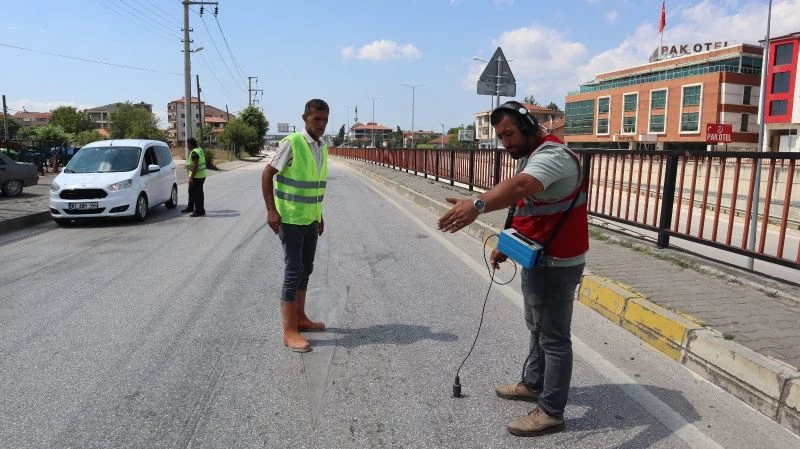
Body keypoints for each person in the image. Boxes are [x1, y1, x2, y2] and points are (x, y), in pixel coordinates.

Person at [437, 101, 588, 437]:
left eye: (509, 134)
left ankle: (551, 411)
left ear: (528, 127)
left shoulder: (553, 156)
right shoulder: (530, 156)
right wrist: (506, 245)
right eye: (500, 136)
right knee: (536, 327)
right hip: (538, 256)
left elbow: (519, 188)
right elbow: (523, 205)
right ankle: (534, 384)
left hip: (557, 261)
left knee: (554, 338)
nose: (505, 142)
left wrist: (477, 205)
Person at [261, 99, 330, 353]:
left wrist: (319, 215)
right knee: (294, 270)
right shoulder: (292, 143)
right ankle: (289, 330)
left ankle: (300, 318)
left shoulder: (322, 147)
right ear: (305, 118)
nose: (321, 124)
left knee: (306, 269)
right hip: (290, 219)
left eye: (325, 120)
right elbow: (267, 174)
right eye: (317, 119)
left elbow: (314, 185)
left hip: (310, 219)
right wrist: (271, 210)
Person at [182, 137, 206, 217]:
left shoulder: (195, 153)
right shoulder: (199, 149)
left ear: (190, 144)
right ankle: (190, 207)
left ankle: (199, 211)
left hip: (197, 176)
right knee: (192, 192)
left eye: (187, 144)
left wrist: (191, 178)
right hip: (200, 175)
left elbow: (195, 166)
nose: (187, 146)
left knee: (197, 194)